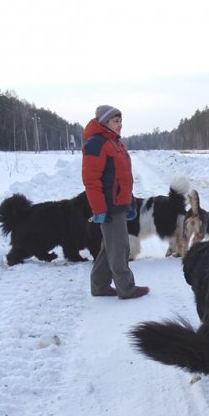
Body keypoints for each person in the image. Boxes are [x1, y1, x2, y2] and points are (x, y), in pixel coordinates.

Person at [82, 105, 149, 299]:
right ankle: (126, 288)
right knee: (120, 247)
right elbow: (91, 180)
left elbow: (122, 177)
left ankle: (99, 285)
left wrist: (128, 203)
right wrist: (99, 209)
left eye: (120, 121)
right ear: (105, 122)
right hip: (108, 205)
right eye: (115, 121)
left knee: (109, 246)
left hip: (118, 203)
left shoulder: (115, 143)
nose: (120, 125)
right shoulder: (97, 143)